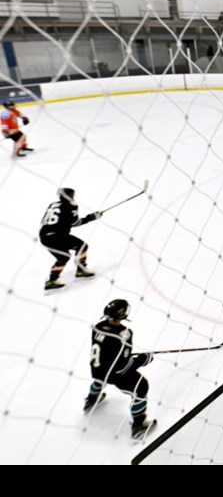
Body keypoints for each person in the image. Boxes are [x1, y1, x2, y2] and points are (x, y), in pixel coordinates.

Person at [84, 299, 156, 440]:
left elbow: (108, 349)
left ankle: (92, 398)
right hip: (115, 374)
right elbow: (123, 366)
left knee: (99, 378)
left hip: (97, 368)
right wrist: (143, 359)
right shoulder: (124, 334)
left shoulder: (98, 326)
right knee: (141, 387)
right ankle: (138, 425)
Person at [39, 187, 100, 291]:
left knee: (63, 257)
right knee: (82, 246)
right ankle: (81, 270)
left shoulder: (53, 205)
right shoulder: (71, 205)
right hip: (57, 235)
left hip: (44, 236)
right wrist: (91, 217)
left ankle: (51, 281)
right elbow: (75, 223)